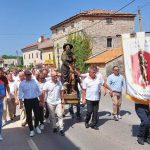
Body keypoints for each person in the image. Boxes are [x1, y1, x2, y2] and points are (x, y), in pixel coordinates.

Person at [82, 65, 112, 130]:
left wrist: (110, 89)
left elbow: (104, 84)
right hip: (89, 99)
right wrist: (83, 99)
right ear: (89, 73)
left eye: (95, 72)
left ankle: (93, 124)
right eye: (93, 72)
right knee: (89, 112)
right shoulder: (86, 80)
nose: (94, 74)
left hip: (96, 99)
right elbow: (83, 91)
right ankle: (86, 121)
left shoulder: (98, 78)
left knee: (95, 112)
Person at [19, 70, 42, 137]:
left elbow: (39, 92)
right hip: (27, 101)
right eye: (27, 75)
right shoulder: (22, 83)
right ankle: (31, 130)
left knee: (37, 114)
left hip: (35, 100)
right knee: (29, 116)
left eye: (30, 75)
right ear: (25, 76)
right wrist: (20, 102)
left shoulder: (35, 82)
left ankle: (36, 126)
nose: (29, 76)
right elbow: (20, 94)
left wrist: (41, 100)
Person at [43, 71, 65, 136]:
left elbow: (62, 91)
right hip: (50, 102)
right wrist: (43, 101)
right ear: (51, 76)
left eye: (57, 76)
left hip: (58, 101)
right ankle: (54, 127)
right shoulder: (47, 83)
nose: (56, 77)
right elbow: (44, 91)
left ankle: (61, 129)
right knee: (52, 116)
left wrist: (62, 99)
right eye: (55, 76)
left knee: (60, 115)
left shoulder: (59, 82)